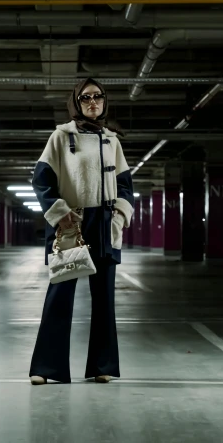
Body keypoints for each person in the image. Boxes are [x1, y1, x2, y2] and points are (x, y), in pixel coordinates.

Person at [28, 78, 135, 385]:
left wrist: (118, 218)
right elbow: (41, 180)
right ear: (76, 102)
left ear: (104, 101)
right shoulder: (61, 137)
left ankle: (102, 366)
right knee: (59, 296)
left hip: (104, 225)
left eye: (97, 97)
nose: (92, 102)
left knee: (104, 300)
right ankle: (46, 368)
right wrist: (60, 215)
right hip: (71, 224)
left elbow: (126, 187)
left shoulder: (112, 140)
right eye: (86, 97)